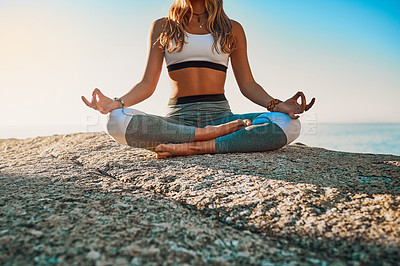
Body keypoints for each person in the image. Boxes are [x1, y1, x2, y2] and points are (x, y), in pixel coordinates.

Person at [82, 0, 315, 159]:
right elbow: (146, 84)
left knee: (288, 124)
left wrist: (277, 105)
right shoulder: (163, 26)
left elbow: (248, 84)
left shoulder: (232, 29)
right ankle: (205, 137)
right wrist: (117, 103)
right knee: (114, 121)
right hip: (177, 122)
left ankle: (196, 147)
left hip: (221, 117)